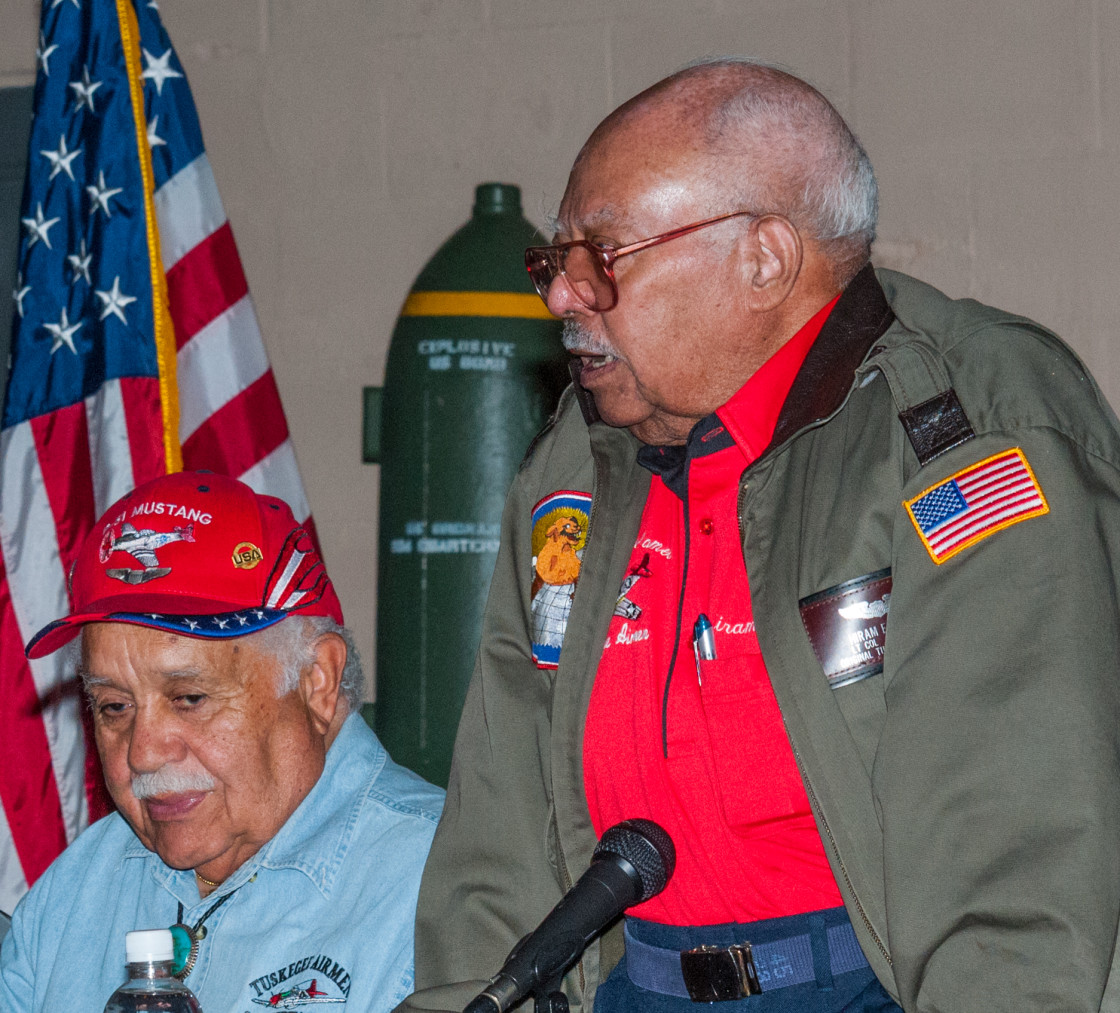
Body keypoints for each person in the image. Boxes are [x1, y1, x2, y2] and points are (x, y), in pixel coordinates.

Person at [399, 58, 1120, 1013]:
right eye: (554, 265)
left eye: (599, 258)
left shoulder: (963, 424)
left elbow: (1017, 856)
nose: (563, 297)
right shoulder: (571, 462)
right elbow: (499, 830)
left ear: (765, 260)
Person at [0, 470, 444, 1013]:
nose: (142, 753)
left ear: (318, 683)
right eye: (114, 707)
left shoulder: (443, 885)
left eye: (189, 698)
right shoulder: (78, 888)